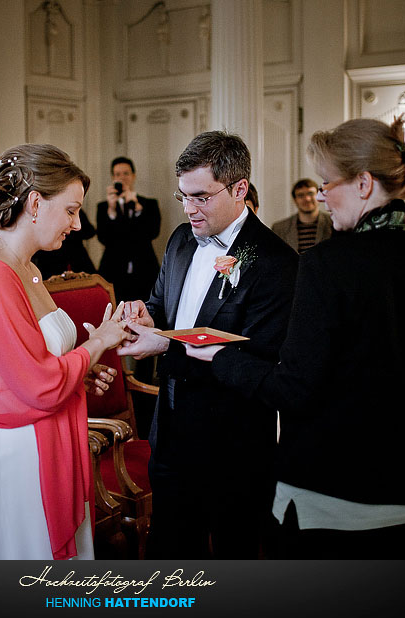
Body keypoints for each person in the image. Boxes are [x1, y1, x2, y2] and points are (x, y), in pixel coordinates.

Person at [184, 116, 405, 559]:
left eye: (328, 183)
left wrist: (222, 358)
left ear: (364, 183)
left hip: (335, 493)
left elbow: (295, 390)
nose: (322, 195)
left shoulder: (326, 266)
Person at [117, 130, 299, 559]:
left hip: (232, 439)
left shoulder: (275, 262)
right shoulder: (181, 239)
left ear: (239, 189)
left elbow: (257, 357)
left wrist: (164, 347)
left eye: (200, 197)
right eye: (182, 196)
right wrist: (148, 315)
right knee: (172, 549)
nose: (188, 209)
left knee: (233, 550)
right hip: (171, 424)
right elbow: (164, 305)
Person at [0, 144, 129, 560]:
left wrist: (78, 373)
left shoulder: (27, 268)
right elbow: (36, 384)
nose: (77, 223)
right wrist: (98, 342)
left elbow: (27, 363)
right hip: (15, 459)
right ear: (34, 203)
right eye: (70, 210)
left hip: (43, 441)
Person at [96, 156, 161, 303]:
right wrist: (111, 212)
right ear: (113, 177)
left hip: (144, 271)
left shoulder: (149, 204)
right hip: (114, 272)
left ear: (133, 175)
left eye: (126, 173)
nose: (122, 178)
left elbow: (153, 232)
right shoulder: (104, 207)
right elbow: (103, 238)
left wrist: (137, 209)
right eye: (118, 174)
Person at [271, 178, 332, 253]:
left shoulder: (332, 224)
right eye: (300, 195)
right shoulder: (279, 229)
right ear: (295, 200)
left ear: (318, 196)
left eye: (310, 193)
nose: (307, 199)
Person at [32, 208, 97, 278]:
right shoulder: (41, 213)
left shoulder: (74, 210)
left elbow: (90, 232)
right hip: (50, 260)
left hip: (76, 256)